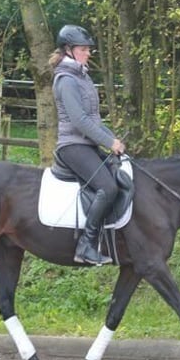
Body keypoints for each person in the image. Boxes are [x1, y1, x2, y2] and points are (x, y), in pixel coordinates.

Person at [49, 24, 126, 265]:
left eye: (88, 49)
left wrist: (114, 140)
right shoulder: (66, 80)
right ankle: (86, 245)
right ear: (69, 50)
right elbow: (79, 120)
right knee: (108, 188)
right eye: (83, 49)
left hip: (86, 144)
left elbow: (93, 119)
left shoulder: (83, 77)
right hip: (72, 145)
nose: (88, 53)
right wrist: (108, 141)